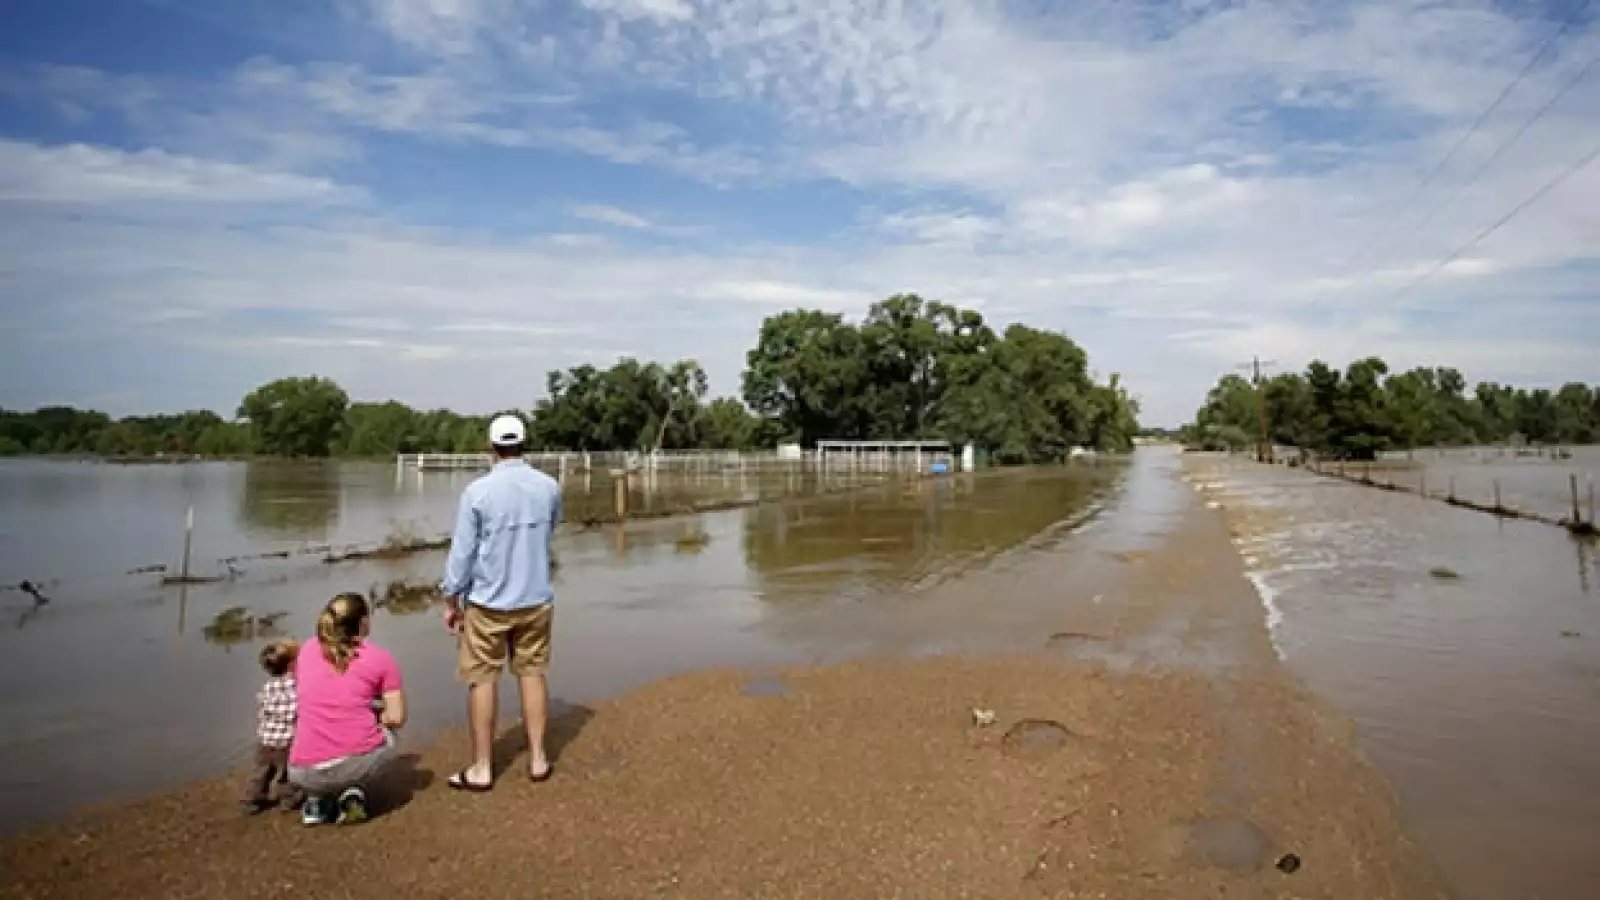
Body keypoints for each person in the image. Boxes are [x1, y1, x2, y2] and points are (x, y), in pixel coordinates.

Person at [440, 413, 563, 791]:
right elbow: (553, 527)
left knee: (482, 680)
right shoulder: (549, 487)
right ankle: (539, 758)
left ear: (492, 446)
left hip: (488, 601)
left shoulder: (478, 492)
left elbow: (462, 552)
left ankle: (481, 767)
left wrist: (450, 597)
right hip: (535, 596)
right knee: (532, 673)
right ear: (524, 444)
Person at [288, 592, 406, 825]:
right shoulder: (381, 659)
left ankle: (316, 800)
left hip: (302, 772)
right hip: (354, 767)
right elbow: (397, 717)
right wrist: (378, 715)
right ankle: (352, 791)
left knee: (315, 720)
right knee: (389, 734)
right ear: (363, 623)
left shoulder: (307, 650)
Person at [243, 638, 306, 814]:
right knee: (286, 773)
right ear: (292, 665)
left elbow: (262, 709)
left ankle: (252, 799)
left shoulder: (267, 687)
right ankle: (289, 799)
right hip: (287, 741)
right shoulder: (296, 687)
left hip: (265, 740)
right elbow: (297, 713)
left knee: (261, 772)